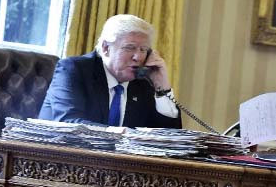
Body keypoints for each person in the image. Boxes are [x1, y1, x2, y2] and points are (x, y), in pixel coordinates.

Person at [39, 14, 181, 129]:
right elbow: (68, 124)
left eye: (143, 50)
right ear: (106, 48)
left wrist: (162, 88)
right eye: (129, 47)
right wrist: (122, 135)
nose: (137, 57)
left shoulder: (143, 82)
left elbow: (170, 139)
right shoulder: (74, 70)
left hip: (119, 164)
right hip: (60, 160)